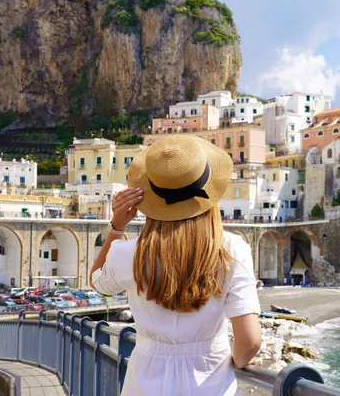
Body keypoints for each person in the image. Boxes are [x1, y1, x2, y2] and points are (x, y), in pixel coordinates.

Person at [90, 136, 261, 396]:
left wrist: (116, 228)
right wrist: (237, 361)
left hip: (144, 382)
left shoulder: (127, 253)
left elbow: (97, 282)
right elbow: (249, 340)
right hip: (211, 382)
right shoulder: (232, 249)